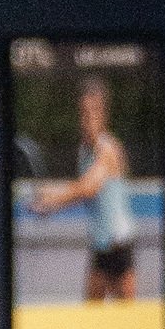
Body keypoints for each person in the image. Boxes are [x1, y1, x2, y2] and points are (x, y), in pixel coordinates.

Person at [32, 79, 137, 301]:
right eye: (84, 113)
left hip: (119, 245)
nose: (88, 119)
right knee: (91, 318)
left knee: (129, 323)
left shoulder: (108, 149)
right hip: (100, 245)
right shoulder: (84, 151)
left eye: (94, 112)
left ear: (104, 115)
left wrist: (52, 197)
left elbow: (88, 188)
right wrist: (52, 203)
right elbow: (82, 192)